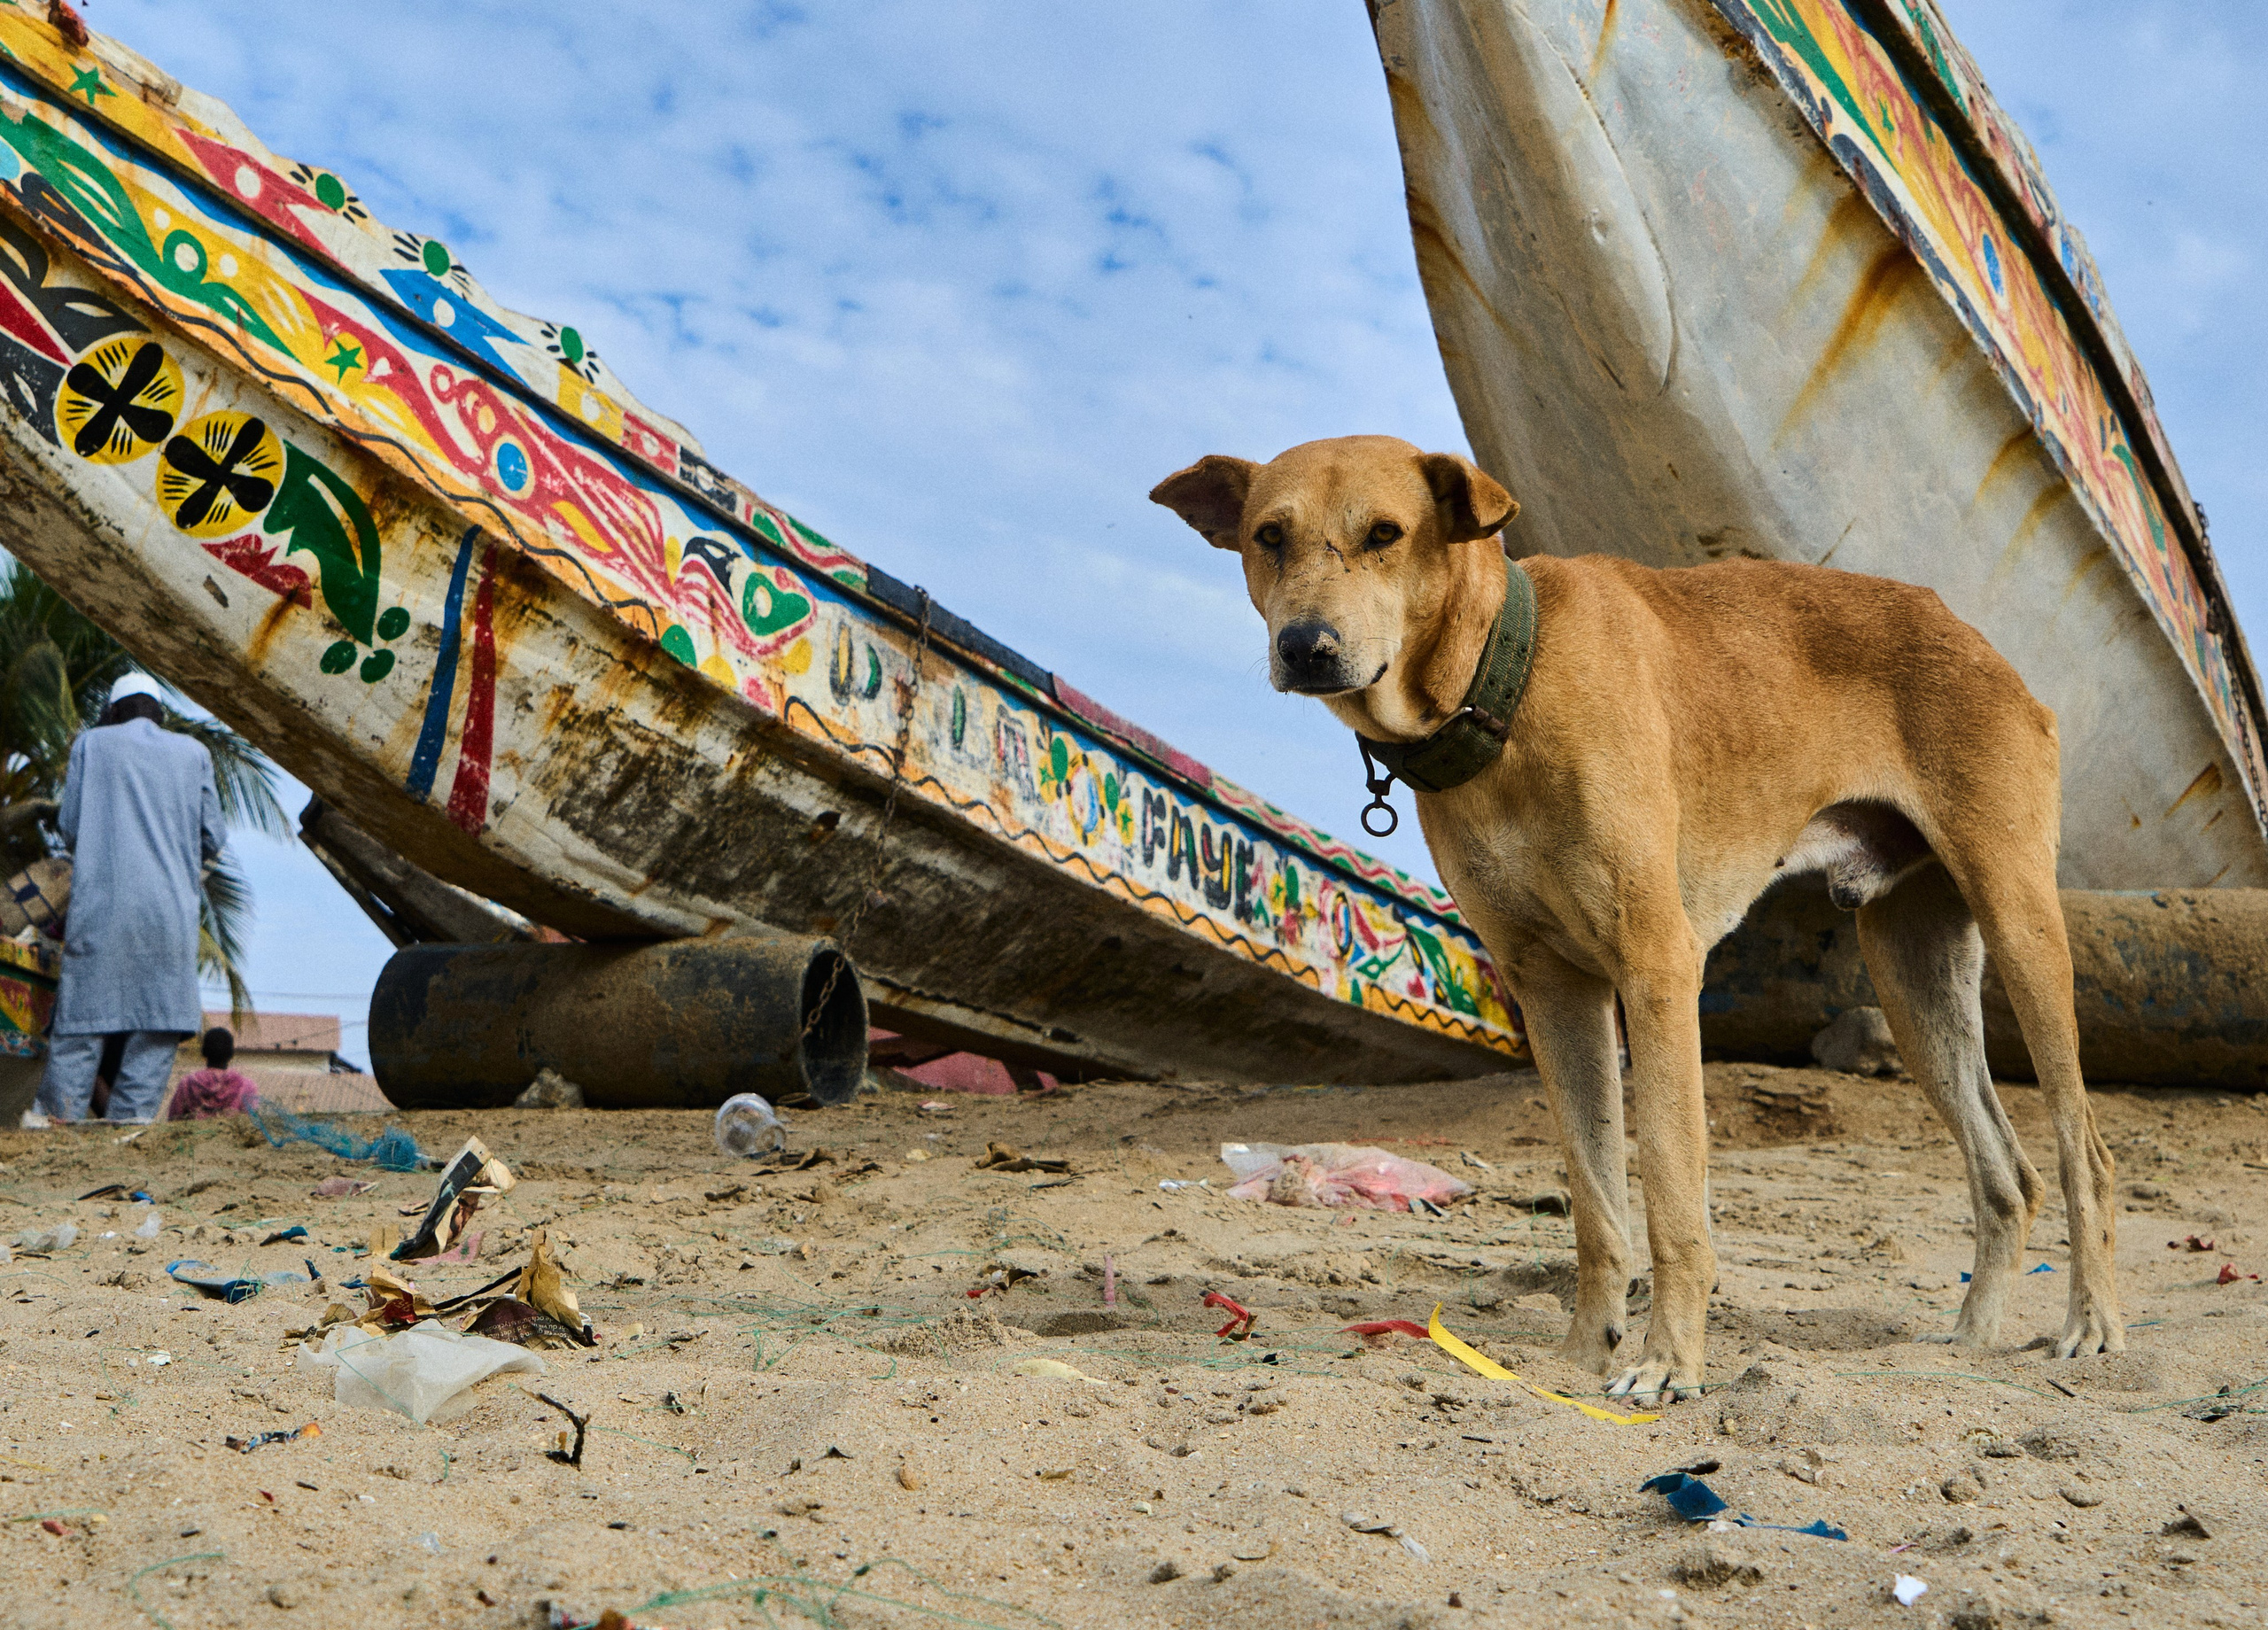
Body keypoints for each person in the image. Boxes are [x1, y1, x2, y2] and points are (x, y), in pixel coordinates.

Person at [27, 673, 224, 1126]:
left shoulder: (91, 744)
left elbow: (71, 825)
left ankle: (57, 1128)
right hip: (169, 919)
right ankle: (128, 1133)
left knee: (80, 1030)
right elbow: (213, 837)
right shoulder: (195, 753)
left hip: (102, 913)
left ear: (113, 712)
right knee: (155, 1030)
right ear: (159, 714)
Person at [167, 1027, 260, 1120]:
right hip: (231, 1134)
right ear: (231, 1053)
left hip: (196, 1134)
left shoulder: (187, 1083)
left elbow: (174, 1118)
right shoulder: (246, 1086)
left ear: (203, 1052)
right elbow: (252, 1123)